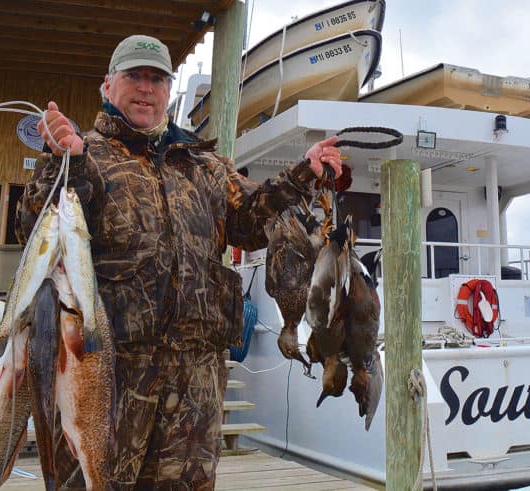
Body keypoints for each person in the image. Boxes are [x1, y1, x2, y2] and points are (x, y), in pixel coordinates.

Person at [17, 34, 341, 490]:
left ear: (169, 90)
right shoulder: (82, 154)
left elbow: (250, 221)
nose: (145, 88)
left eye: (156, 79)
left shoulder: (205, 165)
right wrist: (59, 163)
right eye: (134, 77)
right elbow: (33, 230)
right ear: (108, 85)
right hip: (108, 373)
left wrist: (304, 173)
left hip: (195, 382)